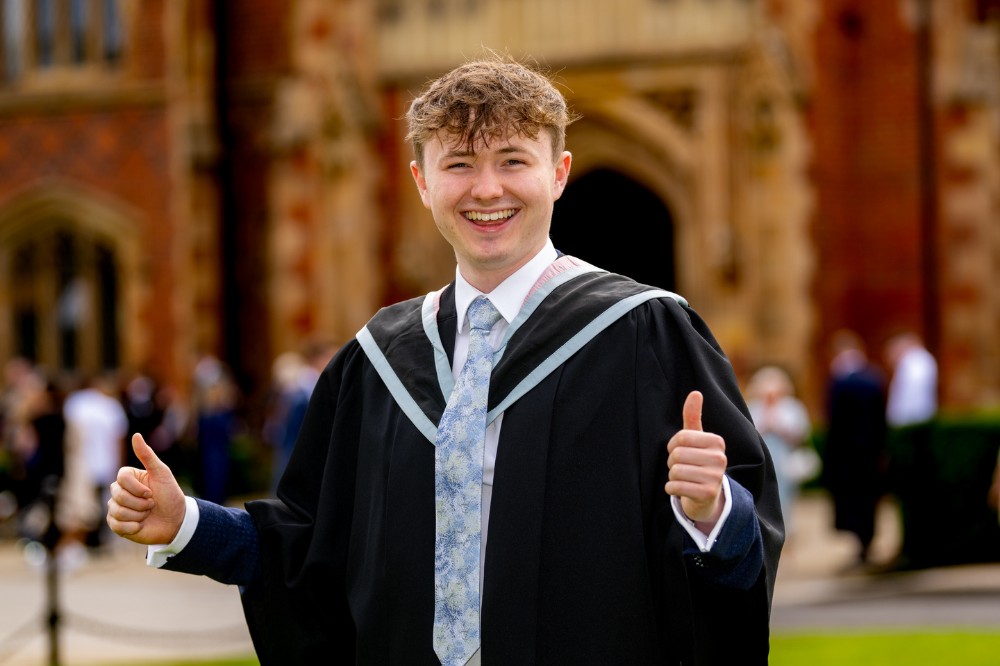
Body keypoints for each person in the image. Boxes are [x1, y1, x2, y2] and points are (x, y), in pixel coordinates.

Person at [107, 56, 783, 665]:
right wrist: (189, 526)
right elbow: (313, 547)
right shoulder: (380, 359)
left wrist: (712, 509)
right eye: (459, 164)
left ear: (560, 173)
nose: (486, 190)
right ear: (422, 183)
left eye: (513, 160)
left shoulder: (645, 334)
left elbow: (740, 551)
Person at [823, 330, 888, 566]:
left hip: (847, 454)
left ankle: (861, 544)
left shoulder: (839, 381)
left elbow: (834, 422)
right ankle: (867, 540)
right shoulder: (875, 377)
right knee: (868, 498)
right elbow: (882, 419)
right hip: (870, 451)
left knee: (852, 497)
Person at [745, 366, 812, 537]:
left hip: (784, 458)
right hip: (761, 458)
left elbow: (801, 433)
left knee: (786, 496)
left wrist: (778, 425)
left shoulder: (792, 407)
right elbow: (747, 433)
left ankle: (785, 531)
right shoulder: (753, 407)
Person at [884, 331, 937, 427]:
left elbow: (912, 396)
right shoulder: (916, 361)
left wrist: (899, 419)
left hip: (910, 421)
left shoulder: (914, 361)